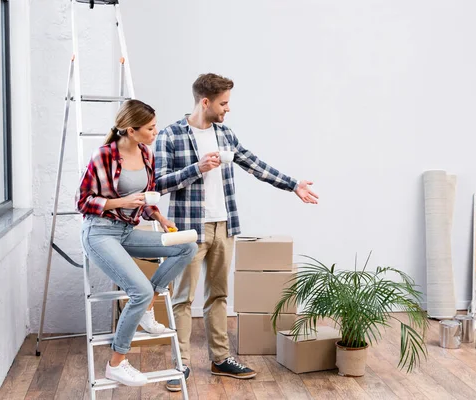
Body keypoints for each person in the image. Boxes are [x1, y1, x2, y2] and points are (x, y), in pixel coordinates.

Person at [154, 73, 319, 391]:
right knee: (183, 298)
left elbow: (254, 164)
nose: (228, 109)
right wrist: (196, 168)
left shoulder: (225, 134)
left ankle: (220, 360)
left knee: (218, 295)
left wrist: (293, 184)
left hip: (224, 226)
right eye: (223, 103)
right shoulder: (171, 135)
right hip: (189, 229)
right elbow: (158, 182)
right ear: (206, 102)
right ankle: (181, 364)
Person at [76, 99, 198, 387]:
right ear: (131, 130)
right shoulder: (103, 155)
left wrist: (159, 216)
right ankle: (116, 363)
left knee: (186, 246)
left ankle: (146, 306)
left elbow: (145, 200)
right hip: (99, 233)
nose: (155, 132)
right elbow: (82, 202)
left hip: (127, 232)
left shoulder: (146, 155)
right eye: (151, 128)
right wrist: (121, 202)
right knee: (138, 289)